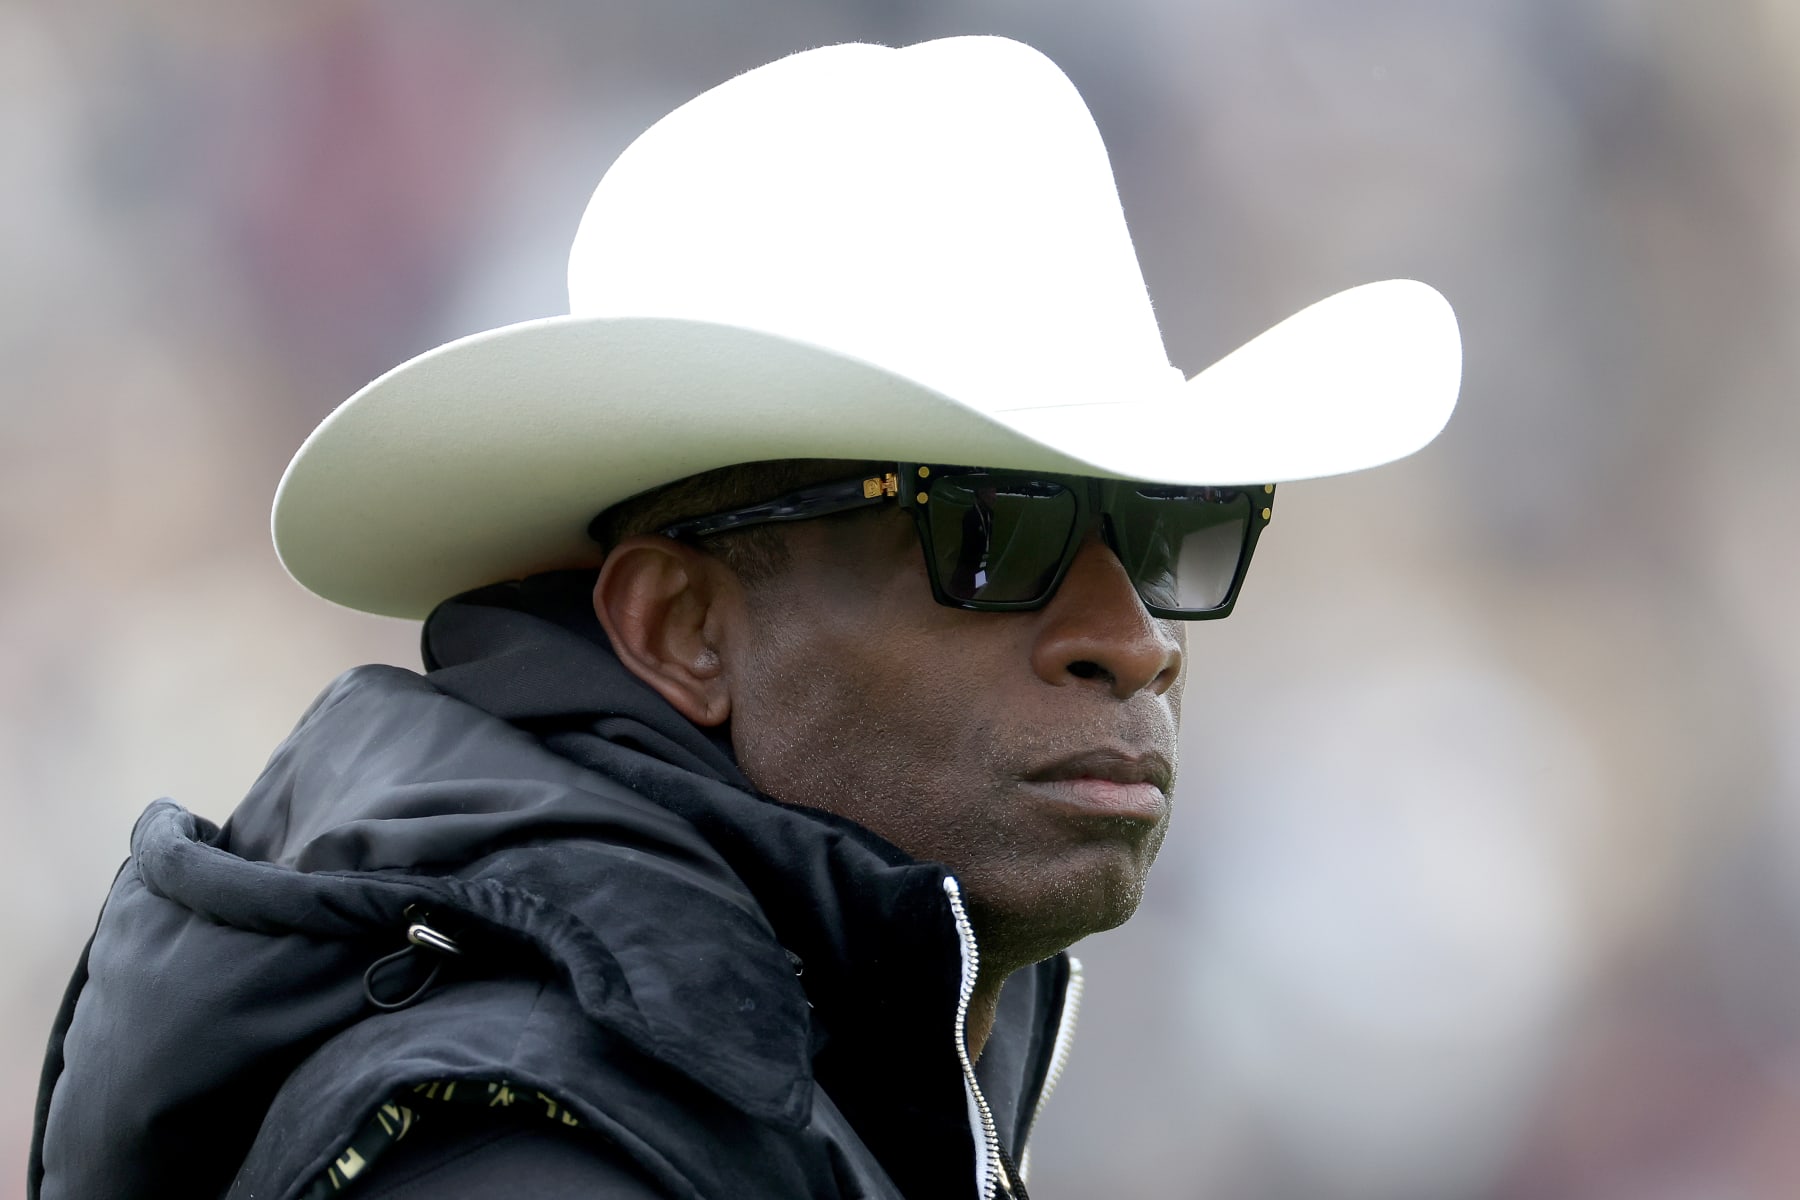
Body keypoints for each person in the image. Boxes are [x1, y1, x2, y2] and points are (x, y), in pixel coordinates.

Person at [29, 34, 1460, 1200]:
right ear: (681, 627)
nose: (1129, 634)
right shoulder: (541, 1161)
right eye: (989, 536)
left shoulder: (764, 1090)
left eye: (1162, 537)